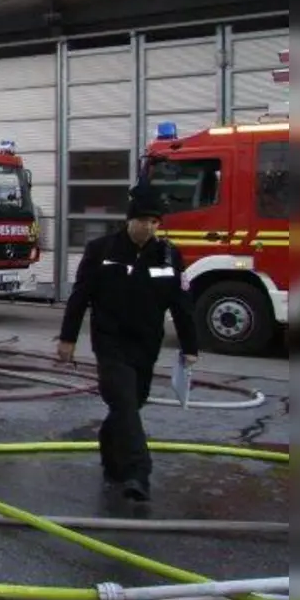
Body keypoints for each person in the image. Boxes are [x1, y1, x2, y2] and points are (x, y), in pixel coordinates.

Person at [57, 185, 198, 503]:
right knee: (122, 400)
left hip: (146, 345)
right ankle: (139, 473)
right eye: (143, 220)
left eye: (154, 222)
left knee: (130, 405)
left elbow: (182, 303)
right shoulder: (101, 250)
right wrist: (68, 339)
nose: (148, 227)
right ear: (129, 220)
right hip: (110, 343)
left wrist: (190, 347)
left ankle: (111, 454)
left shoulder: (168, 255)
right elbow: (80, 297)